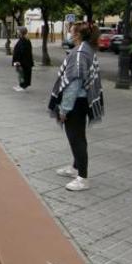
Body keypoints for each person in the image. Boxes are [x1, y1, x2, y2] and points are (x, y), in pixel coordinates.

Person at [48, 22, 104, 192]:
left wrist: (64, 109)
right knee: (78, 136)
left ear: (78, 35)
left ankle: (83, 178)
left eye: (71, 32)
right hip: (82, 102)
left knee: (76, 139)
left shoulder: (79, 53)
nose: (70, 34)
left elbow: (74, 83)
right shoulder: (86, 49)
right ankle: (75, 168)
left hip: (76, 103)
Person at [12, 27, 34, 91]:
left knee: (23, 74)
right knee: (20, 73)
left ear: (21, 32)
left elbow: (24, 52)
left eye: (18, 31)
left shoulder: (25, 40)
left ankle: (23, 86)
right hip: (19, 61)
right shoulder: (21, 39)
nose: (17, 32)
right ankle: (20, 85)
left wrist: (19, 61)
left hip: (23, 62)